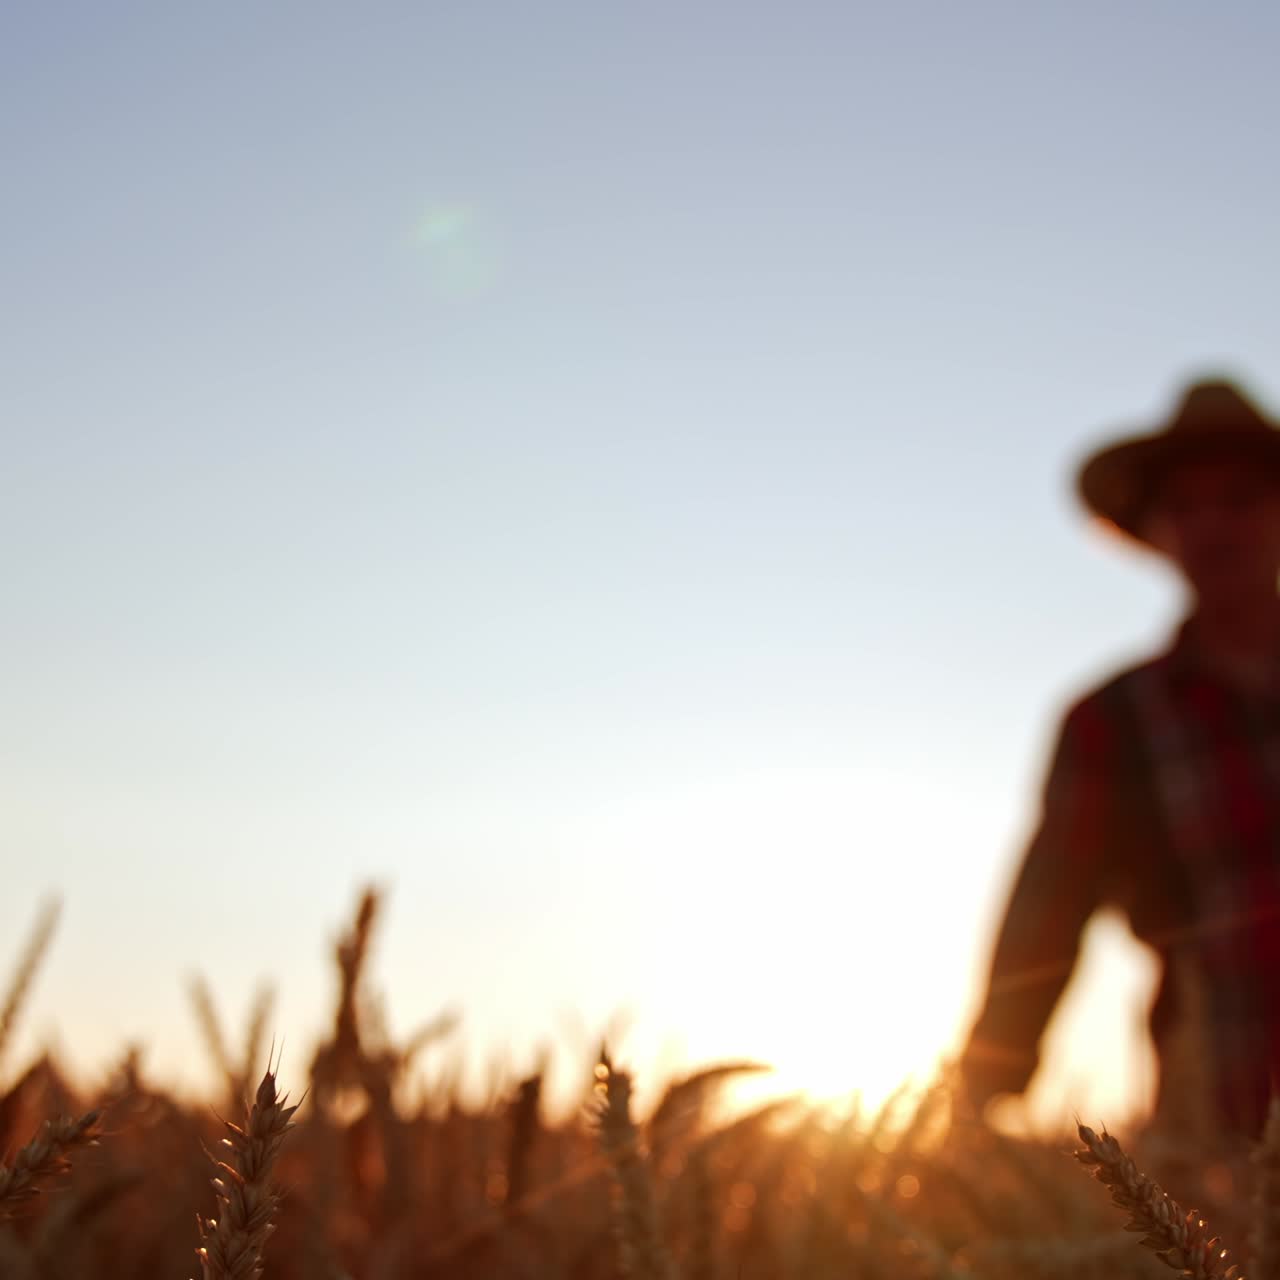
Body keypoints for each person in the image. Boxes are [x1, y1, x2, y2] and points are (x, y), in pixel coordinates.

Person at [959, 376, 1280, 1137]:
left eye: (1239, 499)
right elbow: (1047, 912)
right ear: (1157, 531)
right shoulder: (1113, 721)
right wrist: (984, 1088)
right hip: (1223, 1121)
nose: (1214, 526)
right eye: (1186, 507)